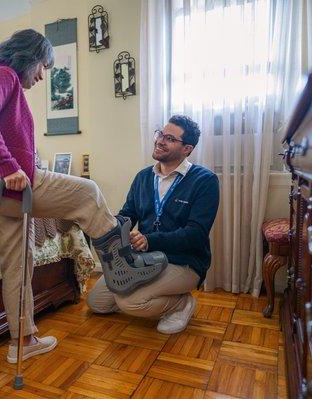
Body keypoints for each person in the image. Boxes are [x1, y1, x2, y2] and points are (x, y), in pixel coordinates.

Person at [0, 29, 137, 363]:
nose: (43, 75)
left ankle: (22, 342)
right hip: (12, 186)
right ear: (30, 57)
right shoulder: (2, 76)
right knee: (89, 193)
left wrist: (10, 164)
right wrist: (8, 166)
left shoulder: (4, 81)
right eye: (43, 65)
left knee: (18, 266)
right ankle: (121, 262)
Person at [86, 115, 220, 334]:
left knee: (128, 302)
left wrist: (149, 240)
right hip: (142, 258)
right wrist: (105, 224)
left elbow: (195, 234)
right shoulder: (143, 177)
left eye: (169, 138)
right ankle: (157, 295)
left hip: (184, 261)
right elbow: (127, 215)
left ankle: (181, 304)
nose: (159, 140)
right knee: (97, 304)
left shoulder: (205, 180)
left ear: (187, 148)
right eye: (160, 134)